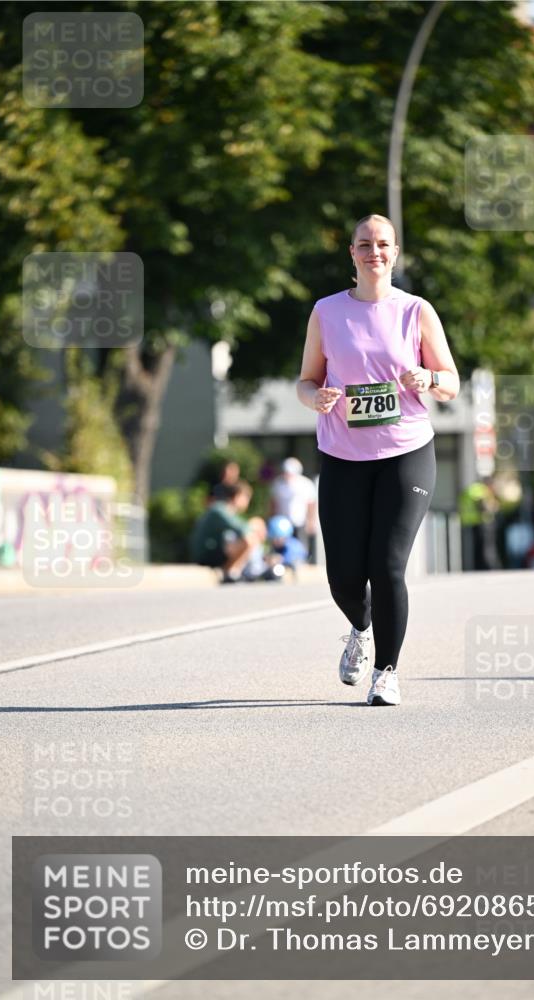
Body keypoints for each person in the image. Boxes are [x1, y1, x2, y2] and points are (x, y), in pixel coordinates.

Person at [297, 213, 459, 706]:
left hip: (406, 452)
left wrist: (428, 381)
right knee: (344, 576)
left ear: (395, 251)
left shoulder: (416, 311)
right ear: (352, 253)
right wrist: (315, 399)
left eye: (383, 244)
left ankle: (386, 672)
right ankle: (360, 627)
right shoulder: (326, 311)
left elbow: (451, 382)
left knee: (387, 566)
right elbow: (305, 380)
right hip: (343, 456)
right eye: (365, 244)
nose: (375, 252)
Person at [189, 481, 268, 583]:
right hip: (206, 554)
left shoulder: (228, 511)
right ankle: (231, 572)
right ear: (237, 496)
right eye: (246, 498)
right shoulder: (219, 509)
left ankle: (250, 568)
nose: (247, 502)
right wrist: (256, 524)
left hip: (217, 550)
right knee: (249, 540)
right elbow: (243, 529)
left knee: (248, 538)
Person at [269, 457, 318, 561]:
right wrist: (272, 518)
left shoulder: (305, 484)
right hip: (282, 523)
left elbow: (311, 504)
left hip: (299, 521)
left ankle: (300, 562)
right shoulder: (277, 483)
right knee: (280, 546)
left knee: (300, 545)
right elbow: (273, 502)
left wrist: (311, 521)